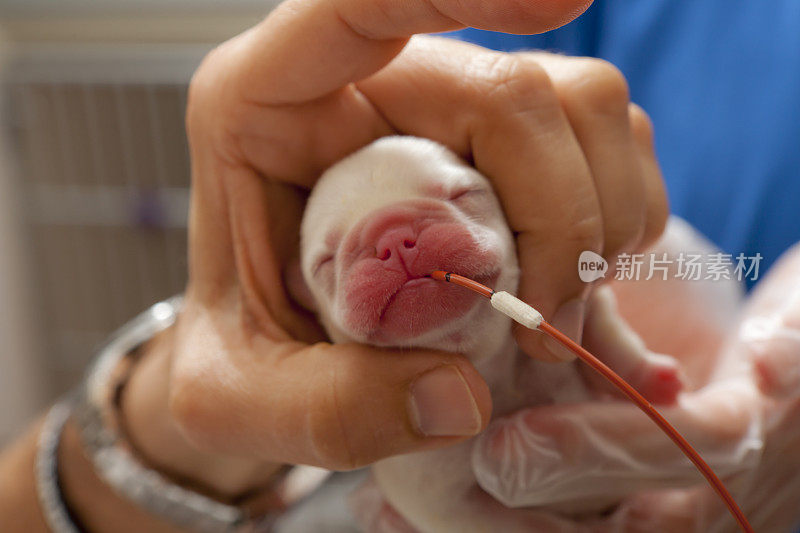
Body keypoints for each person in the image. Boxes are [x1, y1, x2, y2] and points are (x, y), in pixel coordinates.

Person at [0, 0, 797, 531]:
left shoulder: (574, 282)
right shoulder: (479, 73)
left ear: (519, 222)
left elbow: (606, 318)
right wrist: (179, 420)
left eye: (454, 201)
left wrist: (636, 365)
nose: (399, 248)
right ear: (303, 302)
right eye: (335, 256)